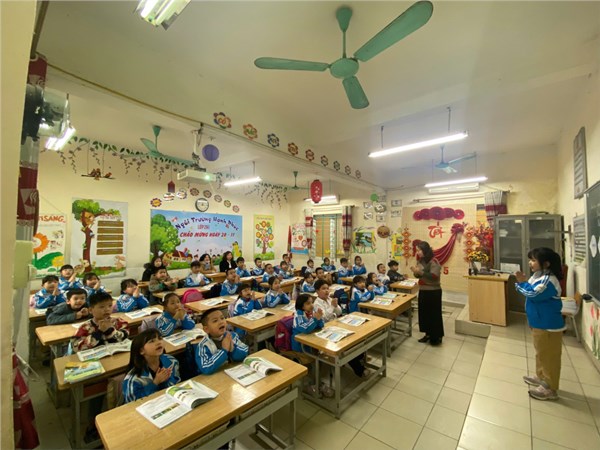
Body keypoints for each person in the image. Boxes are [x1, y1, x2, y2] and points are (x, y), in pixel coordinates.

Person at [515, 247, 564, 401]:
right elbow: (529, 289)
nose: (530, 263)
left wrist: (521, 283)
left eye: (533, 260)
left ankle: (550, 388)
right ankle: (541, 377)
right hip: (538, 322)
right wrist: (524, 283)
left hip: (547, 324)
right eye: (530, 259)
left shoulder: (549, 280)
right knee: (541, 352)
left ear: (546, 263)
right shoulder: (538, 276)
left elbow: (533, 294)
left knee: (549, 357)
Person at [313, 280, 370, 378]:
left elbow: (339, 312)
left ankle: (359, 356)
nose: (326, 291)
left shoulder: (329, 299)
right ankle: (359, 370)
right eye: (323, 289)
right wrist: (332, 307)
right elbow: (325, 318)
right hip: (325, 329)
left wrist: (335, 305)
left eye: (327, 288)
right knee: (345, 347)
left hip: (335, 325)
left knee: (354, 337)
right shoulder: (317, 304)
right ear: (317, 291)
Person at [122, 329, 180, 403]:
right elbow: (133, 403)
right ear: (141, 351)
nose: (158, 342)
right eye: (152, 341)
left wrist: (166, 381)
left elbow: (177, 385)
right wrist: (155, 383)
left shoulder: (171, 361)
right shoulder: (133, 379)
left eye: (160, 338)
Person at [194, 308, 248, 375]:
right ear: (206, 329)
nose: (221, 322)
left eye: (222, 318)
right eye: (215, 321)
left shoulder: (232, 336)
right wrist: (224, 350)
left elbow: (245, 352)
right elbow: (206, 368)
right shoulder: (203, 346)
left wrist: (233, 349)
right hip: (215, 377)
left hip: (233, 373)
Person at [410, 241, 443, 346]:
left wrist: (419, 272)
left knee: (434, 315)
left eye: (419, 250)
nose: (418, 252)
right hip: (423, 290)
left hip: (433, 292)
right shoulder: (420, 261)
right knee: (424, 314)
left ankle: (436, 337)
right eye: (417, 250)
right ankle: (427, 334)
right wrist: (416, 273)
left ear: (425, 250)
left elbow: (434, 276)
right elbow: (419, 276)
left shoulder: (434, 261)